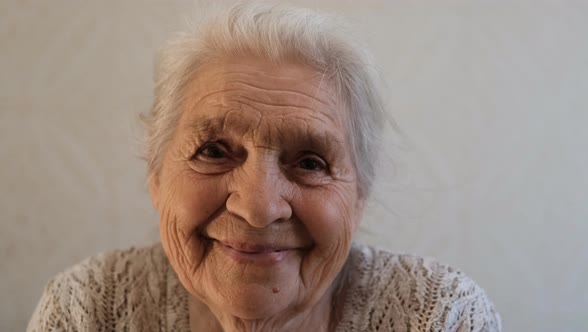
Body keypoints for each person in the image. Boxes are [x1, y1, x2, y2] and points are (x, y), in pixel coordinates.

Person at [27, 3, 501, 331]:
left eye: (311, 162)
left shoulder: (438, 315)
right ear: (155, 174)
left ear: (359, 195)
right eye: (213, 151)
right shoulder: (89, 309)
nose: (258, 208)